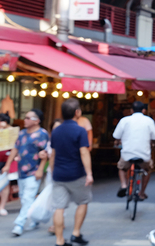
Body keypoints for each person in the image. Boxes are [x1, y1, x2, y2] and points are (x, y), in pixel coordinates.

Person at [49, 99, 93, 246]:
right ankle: (76, 233)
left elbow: (53, 154)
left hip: (59, 175)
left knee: (59, 207)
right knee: (83, 201)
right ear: (77, 112)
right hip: (76, 174)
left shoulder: (56, 131)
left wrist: (52, 171)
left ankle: (59, 240)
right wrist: (89, 173)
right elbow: (84, 152)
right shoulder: (80, 130)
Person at [3, 109, 49, 237]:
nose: (25, 120)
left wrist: (40, 170)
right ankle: (35, 219)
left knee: (28, 198)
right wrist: (7, 164)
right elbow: (15, 149)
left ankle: (19, 224)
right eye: (26, 117)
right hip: (21, 171)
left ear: (37, 121)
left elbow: (45, 153)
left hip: (34, 172)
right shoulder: (22, 133)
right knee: (24, 198)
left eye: (29, 118)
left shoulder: (42, 134)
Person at [112, 101, 155, 201]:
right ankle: (142, 192)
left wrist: (118, 141)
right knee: (147, 169)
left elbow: (116, 136)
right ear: (144, 110)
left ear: (131, 110)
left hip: (127, 155)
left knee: (121, 168)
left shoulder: (124, 120)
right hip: (144, 155)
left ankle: (124, 185)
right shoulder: (149, 121)